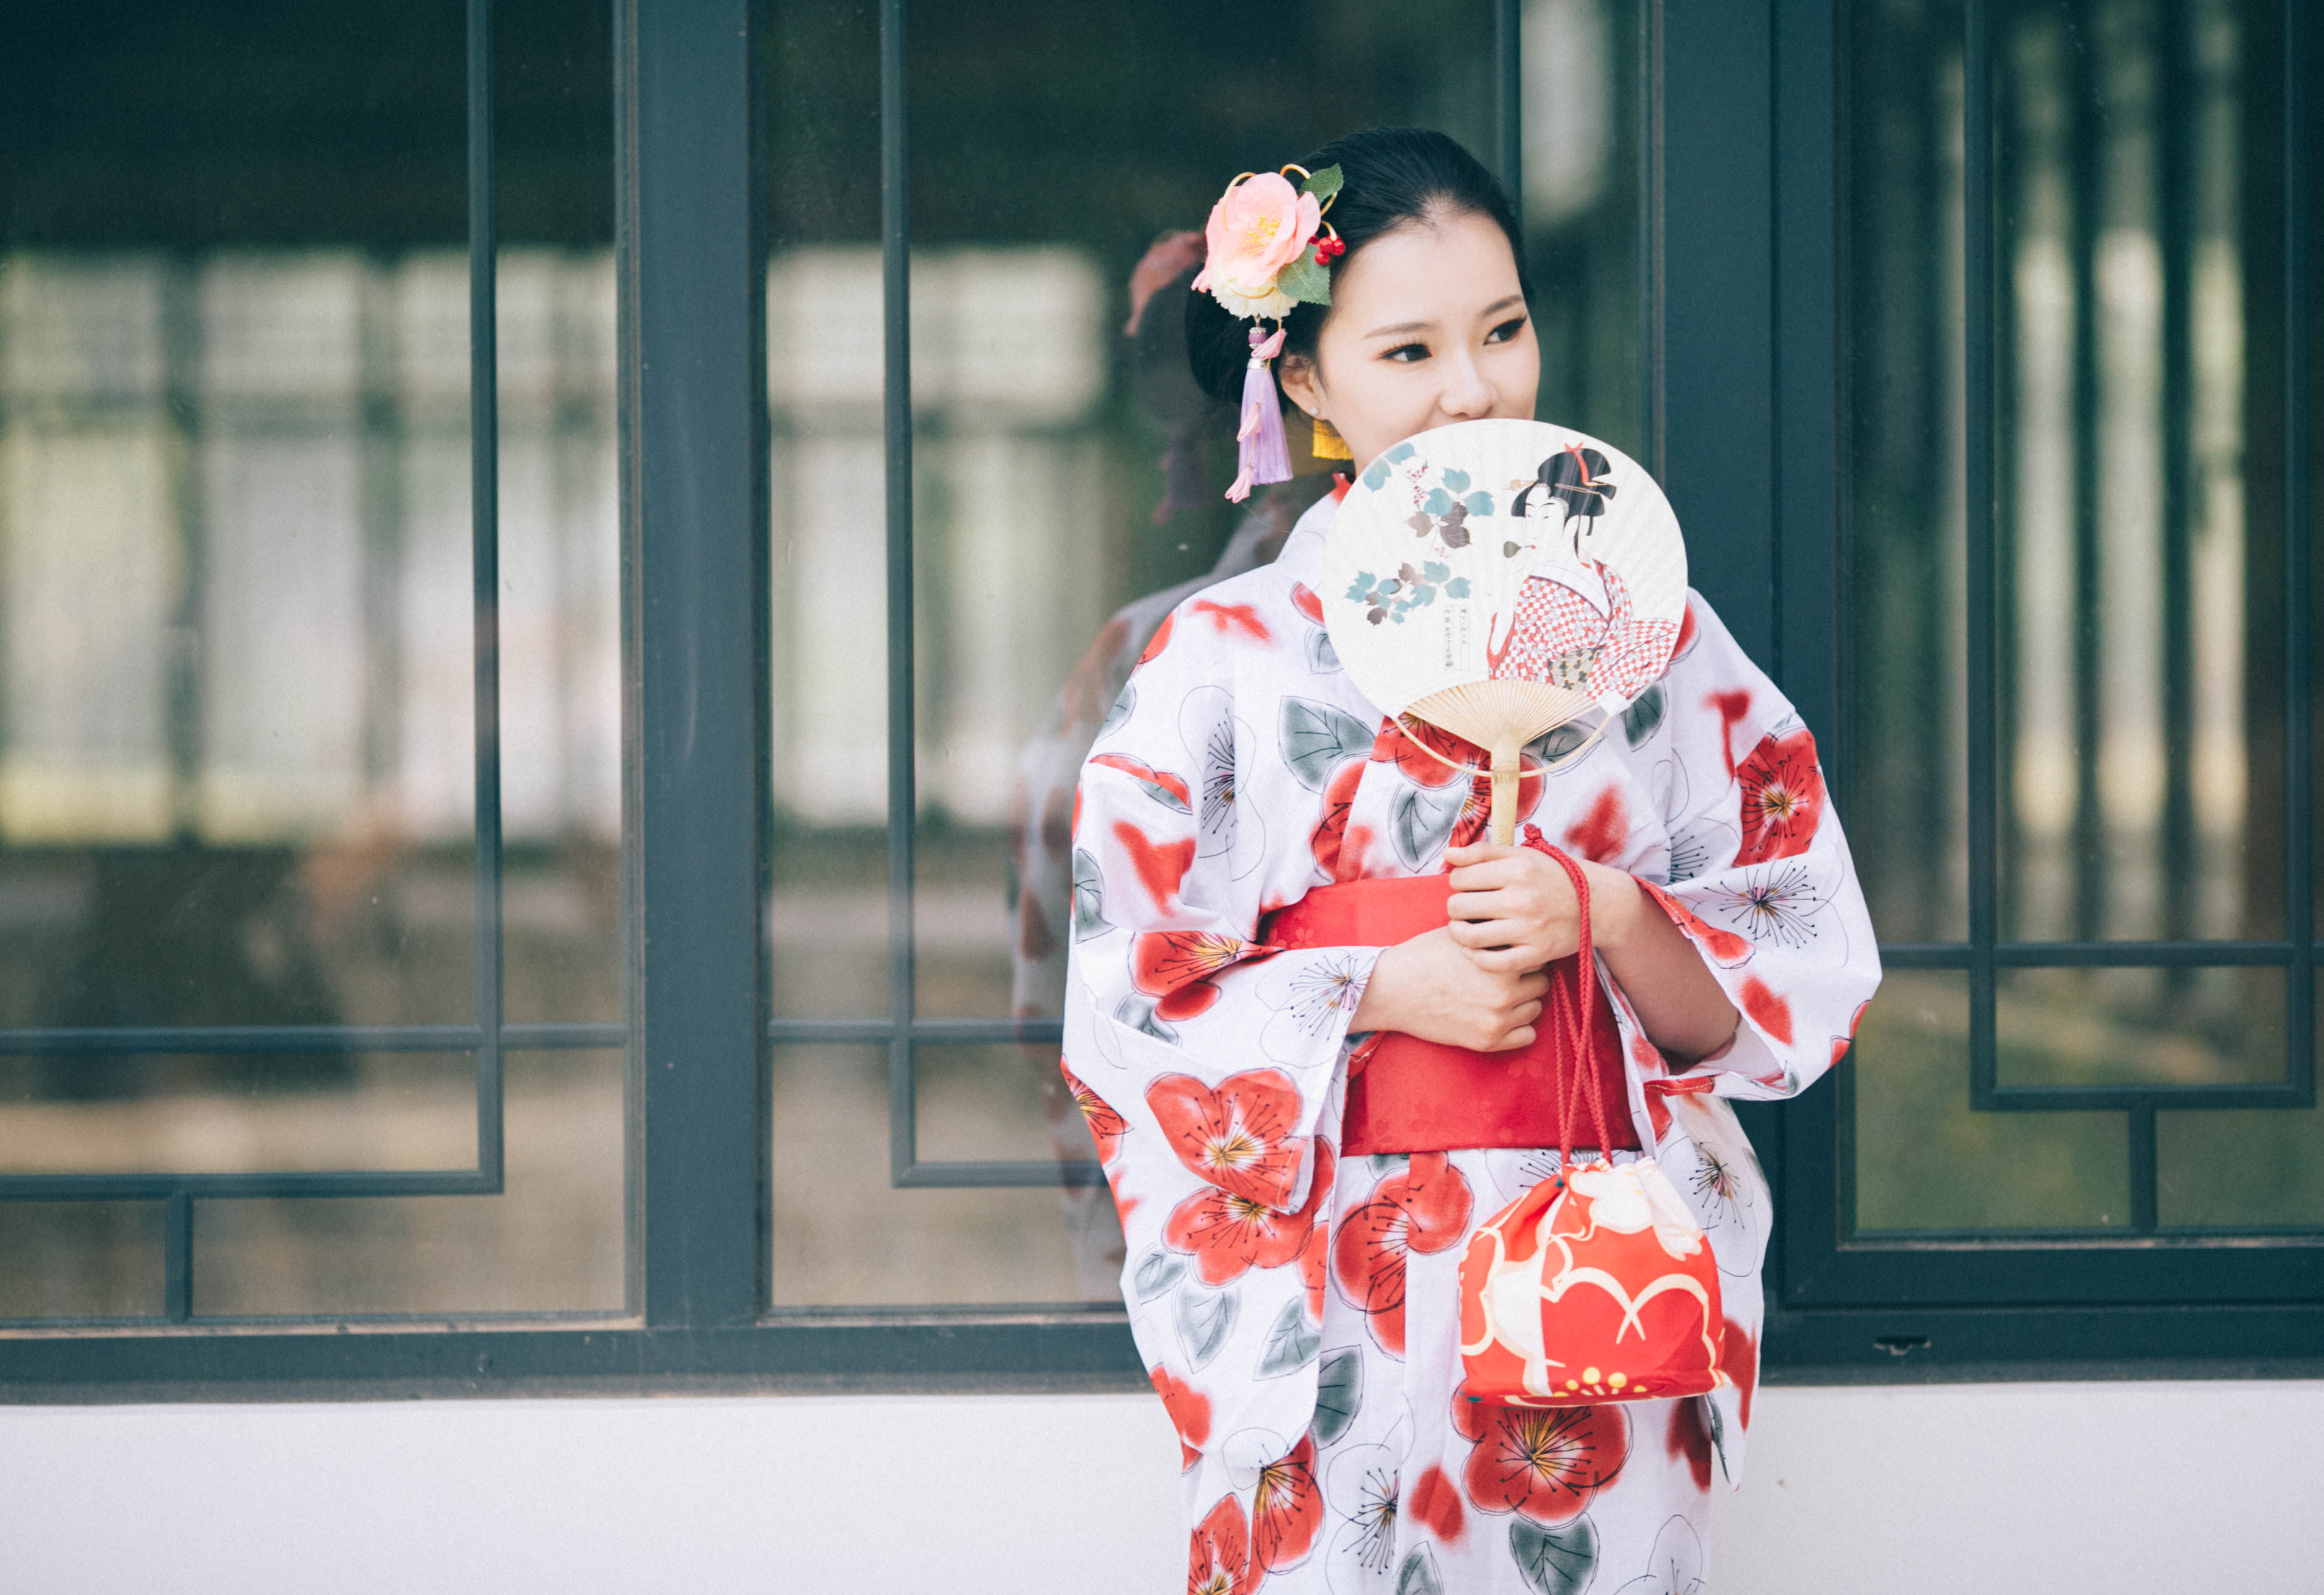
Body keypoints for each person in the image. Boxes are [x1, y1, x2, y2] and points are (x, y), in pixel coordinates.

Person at [1062, 127, 1879, 1594]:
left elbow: (1794, 960)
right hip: (1319, 1283)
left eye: (1503, 329)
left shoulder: (1658, 636)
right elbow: (1126, 993)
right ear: (1303, 381)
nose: (1475, 387)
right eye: (1409, 350)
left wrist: (1611, 912)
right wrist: (1378, 987)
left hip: (1593, 1271)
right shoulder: (1225, 661)